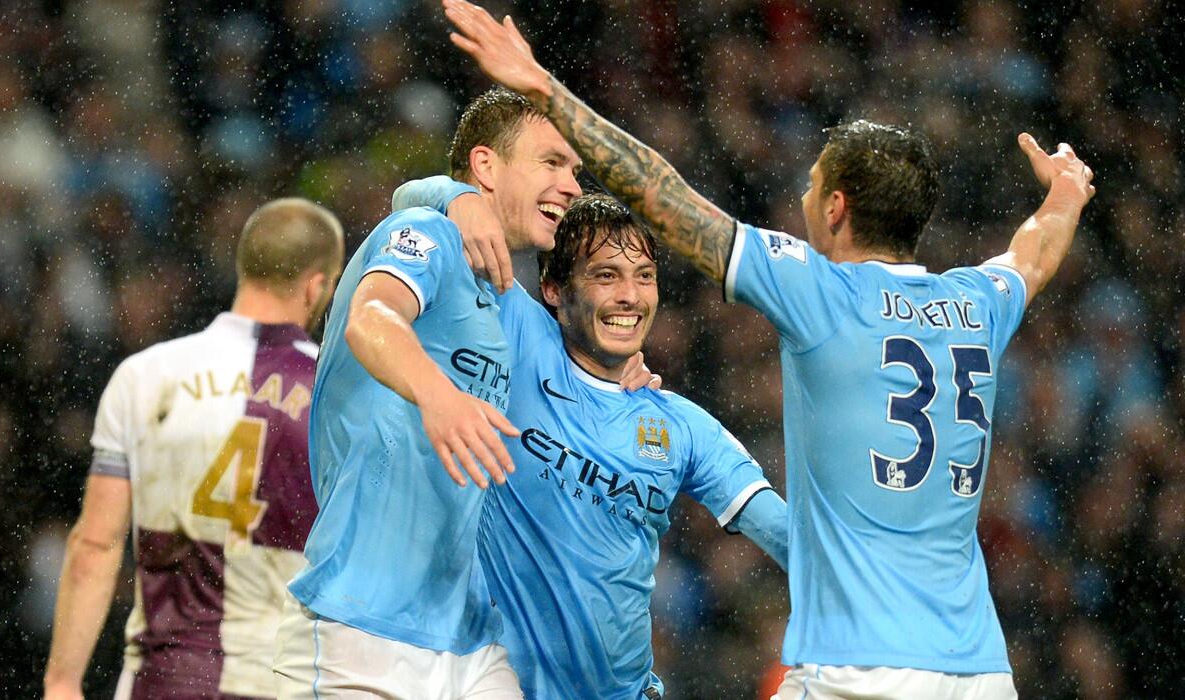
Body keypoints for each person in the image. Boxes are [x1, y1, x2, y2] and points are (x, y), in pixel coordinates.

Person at [439, 2, 1096, 698]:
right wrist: (1066, 194)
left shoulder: (816, 291)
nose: (804, 197)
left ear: (837, 207)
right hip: (979, 671)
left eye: (812, 184)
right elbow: (1033, 254)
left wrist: (552, 96)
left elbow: (666, 199)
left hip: (856, 668)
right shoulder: (977, 304)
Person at [392, 184, 792, 699]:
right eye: (607, 276)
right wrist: (459, 197)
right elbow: (409, 207)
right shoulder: (515, 332)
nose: (630, 296)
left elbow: (782, 533)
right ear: (555, 289)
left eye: (644, 277)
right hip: (486, 682)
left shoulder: (682, 425)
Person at [273, 88, 586, 700]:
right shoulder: (426, 234)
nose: (572, 184)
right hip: (361, 631)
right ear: (486, 166)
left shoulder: (505, 303)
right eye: (552, 162)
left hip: (471, 641)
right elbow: (372, 317)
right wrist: (437, 395)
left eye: (576, 169)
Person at [42, 198, 345, 700]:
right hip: (282, 682)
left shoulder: (145, 376)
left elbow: (95, 546)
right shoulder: (337, 396)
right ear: (318, 285)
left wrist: (62, 682)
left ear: (245, 265)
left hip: (163, 680)